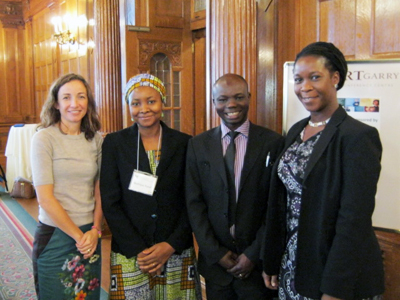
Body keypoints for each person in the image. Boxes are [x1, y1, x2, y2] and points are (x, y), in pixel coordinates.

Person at [262, 42, 385, 300]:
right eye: (298, 79)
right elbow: (280, 203)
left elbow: (354, 220)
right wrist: (272, 260)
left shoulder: (358, 137)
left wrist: (335, 288)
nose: (304, 87)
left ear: (335, 78)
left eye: (314, 77)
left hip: (333, 271)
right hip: (293, 264)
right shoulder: (296, 131)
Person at [100, 74, 200, 299]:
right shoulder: (115, 144)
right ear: (129, 107)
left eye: (151, 101)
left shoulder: (185, 143)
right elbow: (110, 201)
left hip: (175, 250)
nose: (143, 109)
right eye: (136, 103)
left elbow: (192, 200)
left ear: (162, 101)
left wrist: (170, 244)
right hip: (131, 251)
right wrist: (139, 250)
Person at [186, 73, 284, 299]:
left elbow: (275, 205)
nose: (231, 104)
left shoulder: (273, 142)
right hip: (216, 266)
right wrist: (214, 252)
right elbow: (194, 203)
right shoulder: (197, 145)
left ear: (249, 97)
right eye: (222, 99)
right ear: (214, 102)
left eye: (238, 97)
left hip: (257, 265)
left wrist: (253, 253)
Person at [31, 73, 103, 299]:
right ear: (56, 103)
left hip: (89, 235)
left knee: (87, 296)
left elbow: (100, 189)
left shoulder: (96, 139)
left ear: (88, 102)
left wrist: (95, 229)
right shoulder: (44, 139)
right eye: (67, 97)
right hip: (56, 234)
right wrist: (78, 236)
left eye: (81, 97)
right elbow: (45, 198)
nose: (75, 104)